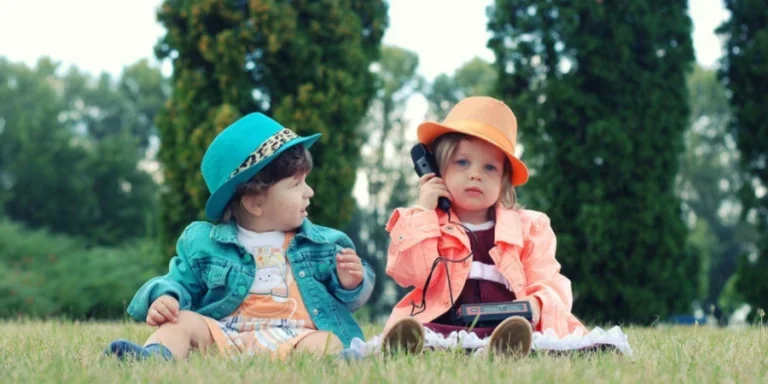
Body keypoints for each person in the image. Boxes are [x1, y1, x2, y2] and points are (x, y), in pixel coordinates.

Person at [105, 113, 375, 361]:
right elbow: (178, 281)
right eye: (296, 184)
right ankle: (155, 357)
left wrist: (350, 283)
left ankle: (342, 363)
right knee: (181, 322)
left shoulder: (320, 244)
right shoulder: (205, 244)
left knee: (326, 341)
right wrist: (166, 298)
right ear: (255, 202)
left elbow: (349, 299)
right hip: (224, 335)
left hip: (295, 337)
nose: (310, 192)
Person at [381, 96, 586, 356]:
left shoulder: (529, 228)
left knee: (529, 338)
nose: (475, 174)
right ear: (436, 170)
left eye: (489, 167)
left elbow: (549, 280)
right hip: (445, 325)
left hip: (507, 327)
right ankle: (411, 347)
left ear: (503, 181)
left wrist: (535, 303)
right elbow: (409, 272)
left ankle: (504, 349)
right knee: (428, 336)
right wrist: (424, 213)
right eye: (462, 162)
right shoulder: (426, 222)